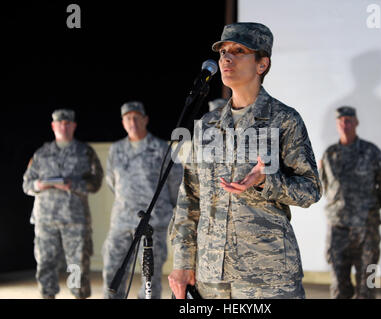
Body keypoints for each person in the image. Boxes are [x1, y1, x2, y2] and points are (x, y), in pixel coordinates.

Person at [168, 22, 322, 299]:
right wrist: (182, 262)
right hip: (211, 276)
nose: (226, 58)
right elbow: (189, 198)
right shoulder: (207, 125)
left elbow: (310, 190)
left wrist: (266, 181)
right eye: (223, 51)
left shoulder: (284, 120)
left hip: (266, 277)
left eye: (239, 50)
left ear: (262, 64)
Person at [102, 101, 182, 299]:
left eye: (137, 117)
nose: (133, 122)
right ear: (123, 122)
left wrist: (165, 210)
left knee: (150, 279)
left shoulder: (163, 149)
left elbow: (175, 184)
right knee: (112, 275)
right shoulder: (116, 150)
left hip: (152, 225)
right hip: (121, 223)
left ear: (145, 119)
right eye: (128, 118)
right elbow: (112, 182)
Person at [23, 109, 103, 299]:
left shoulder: (85, 152)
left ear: (74, 126)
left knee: (77, 265)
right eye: (60, 123)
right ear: (53, 126)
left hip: (75, 219)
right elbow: (26, 184)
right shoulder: (41, 153)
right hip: (45, 219)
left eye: (68, 123)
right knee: (45, 263)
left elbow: (96, 182)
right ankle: (47, 295)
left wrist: (72, 184)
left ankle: (78, 295)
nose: (64, 126)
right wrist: (38, 185)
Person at [319, 106, 381, 299]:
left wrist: (369, 208)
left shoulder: (371, 152)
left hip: (367, 232)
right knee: (338, 288)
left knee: (369, 285)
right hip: (338, 231)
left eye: (349, 120)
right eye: (341, 120)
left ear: (356, 123)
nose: (345, 124)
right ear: (337, 124)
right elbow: (323, 187)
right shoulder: (329, 155)